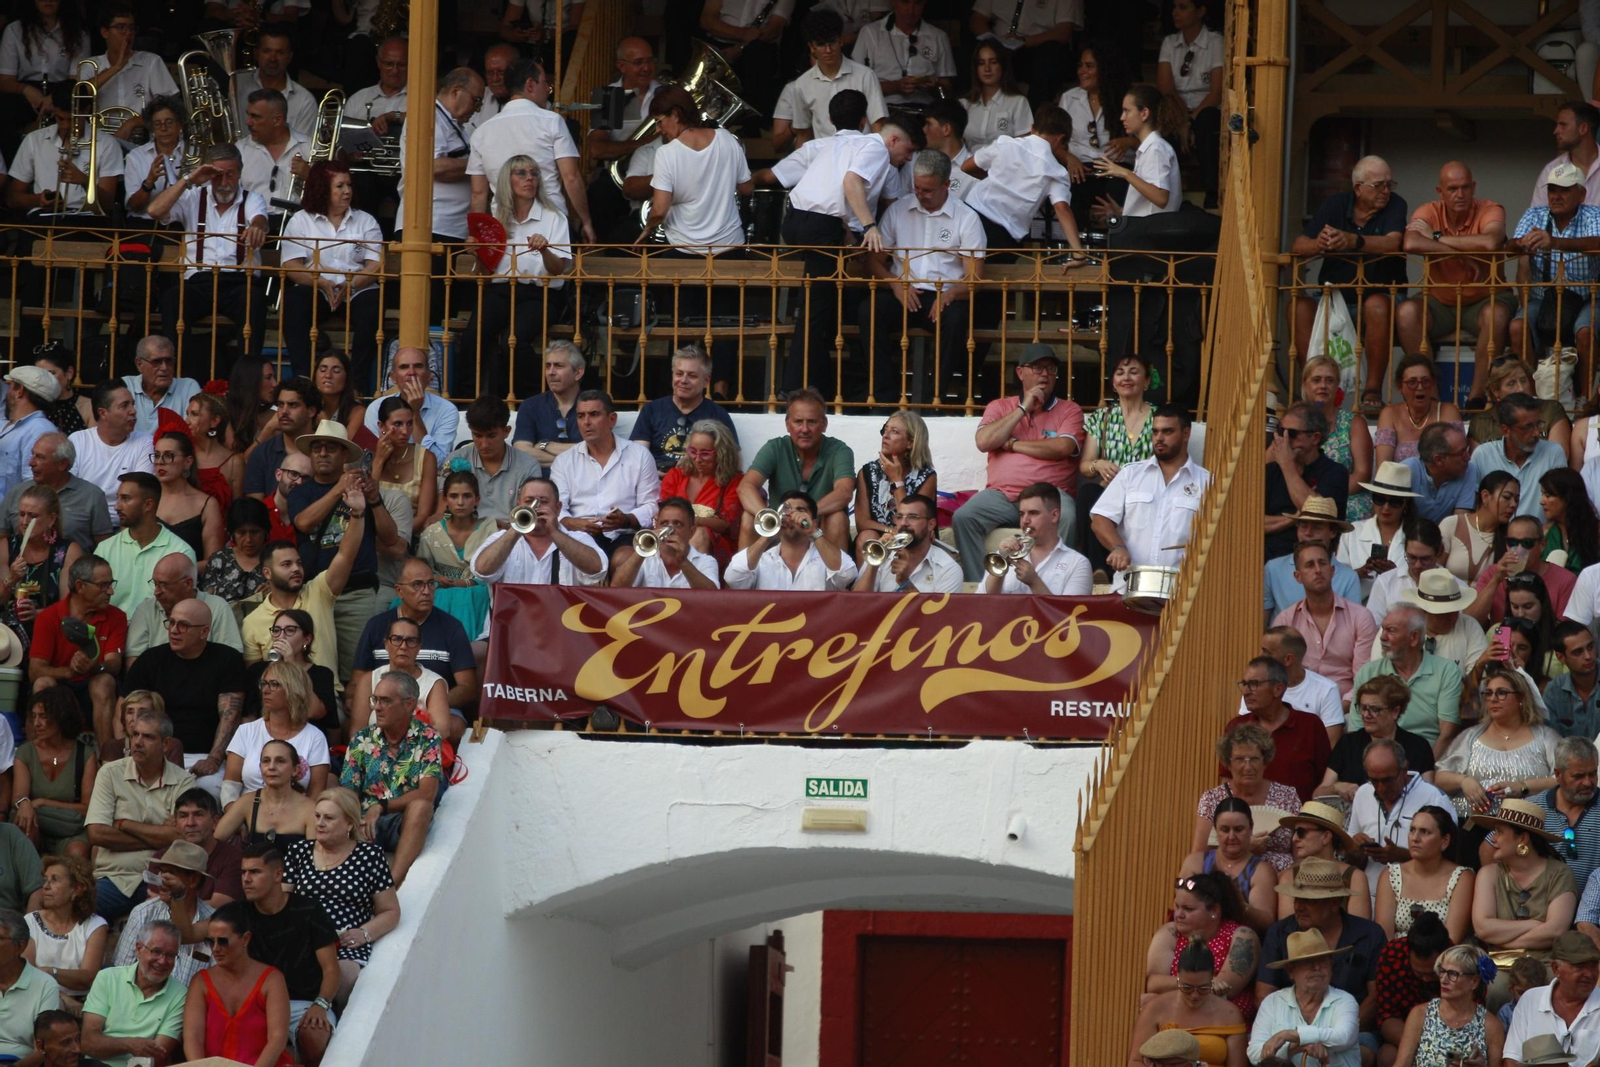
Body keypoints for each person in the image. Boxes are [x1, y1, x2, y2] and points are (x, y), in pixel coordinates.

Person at [755, 110, 915, 395]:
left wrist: (849, 236)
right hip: (820, 226)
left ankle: (814, 387)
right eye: (909, 149)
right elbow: (850, 184)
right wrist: (870, 227)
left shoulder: (840, 144)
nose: (909, 157)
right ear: (893, 139)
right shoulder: (876, 149)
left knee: (819, 309)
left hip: (798, 220)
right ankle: (797, 389)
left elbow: (830, 197)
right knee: (815, 313)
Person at [858, 149, 986, 405]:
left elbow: (974, 279)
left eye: (928, 190)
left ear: (946, 184)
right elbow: (874, 261)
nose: (921, 195)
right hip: (903, 292)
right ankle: (884, 397)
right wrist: (894, 283)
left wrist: (950, 294)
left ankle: (932, 400)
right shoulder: (898, 210)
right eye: (917, 188)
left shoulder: (966, 217)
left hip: (945, 297)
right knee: (868, 311)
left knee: (958, 319)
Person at [950, 348, 1082, 581]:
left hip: (1048, 495)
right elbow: (984, 441)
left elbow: (1062, 448)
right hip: (1002, 496)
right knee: (964, 517)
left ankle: (1056, 584)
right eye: (1037, 368)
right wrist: (1023, 409)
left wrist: (1012, 445)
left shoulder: (1069, 410)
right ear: (1020, 373)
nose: (1045, 374)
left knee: (1068, 515)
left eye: (1050, 369)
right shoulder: (1000, 406)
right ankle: (982, 586)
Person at [1395, 162, 1513, 408]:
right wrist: (1458, 255)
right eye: (1452, 189)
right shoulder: (1428, 210)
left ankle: (1476, 398)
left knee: (1496, 314)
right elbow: (1411, 243)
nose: (1460, 194)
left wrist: (1436, 237)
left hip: (1486, 297)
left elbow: (1491, 242)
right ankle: (1433, 396)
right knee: (1406, 312)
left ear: (1473, 187)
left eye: (1465, 187)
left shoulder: (1491, 208)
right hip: (1441, 300)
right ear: (1440, 192)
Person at [1291, 161, 1410, 406]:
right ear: (1358, 188)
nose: (1386, 190)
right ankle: (1313, 387)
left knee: (1376, 304)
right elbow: (1299, 246)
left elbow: (1393, 243)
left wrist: (1353, 241)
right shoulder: (1336, 204)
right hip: (1335, 298)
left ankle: (1372, 391)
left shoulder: (1395, 204)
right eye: (1378, 185)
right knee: (1298, 308)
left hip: (1383, 297)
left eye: (1389, 184)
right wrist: (1321, 244)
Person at [457, 153, 573, 398]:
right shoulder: (496, 217)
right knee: (473, 336)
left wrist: (545, 250)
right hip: (501, 289)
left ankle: (525, 400)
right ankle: (466, 400)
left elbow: (557, 270)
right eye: (521, 173)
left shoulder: (553, 217)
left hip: (540, 293)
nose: (529, 179)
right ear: (507, 180)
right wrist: (477, 252)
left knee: (513, 341)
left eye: (534, 174)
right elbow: (487, 272)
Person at [286, 420, 392, 682]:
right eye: (317, 447)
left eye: (330, 448)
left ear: (345, 454)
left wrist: (375, 499)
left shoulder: (363, 489)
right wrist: (339, 488)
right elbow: (303, 522)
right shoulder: (301, 491)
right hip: (314, 593)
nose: (322, 453)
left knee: (358, 673)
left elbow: (390, 538)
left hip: (358, 593)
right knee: (314, 669)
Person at [147, 145, 270, 367]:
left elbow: (259, 218)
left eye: (230, 174)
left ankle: (248, 376)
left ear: (240, 173)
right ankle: (175, 373)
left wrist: (257, 227)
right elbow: (154, 211)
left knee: (255, 301)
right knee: (172, 299)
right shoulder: (193, 197)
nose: (224, 182)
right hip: (199, 283)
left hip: (238, 283)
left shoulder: (252, 198)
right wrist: (189, 179)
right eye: (217, 175)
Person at [281, 788, 398, 1007]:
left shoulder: (369, 856)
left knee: (342, 978)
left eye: (329, 818)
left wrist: (364, 933)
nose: (320, 823)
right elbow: (282, 900)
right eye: (317, 816)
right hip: (302, 938)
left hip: (346, 943)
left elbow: (390, 911)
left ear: (349, 824)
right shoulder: (298, 851)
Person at [467, 56, 594, 242]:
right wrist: (586, 221)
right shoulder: (552, 121)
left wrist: (477, 236)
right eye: (545, 83)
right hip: (551, 223)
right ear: (530, 84)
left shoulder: (482, 131)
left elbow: (479, 194)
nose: (547, 90)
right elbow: (571, 177)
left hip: (504, 226)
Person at [279, 161, 382, 386]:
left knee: (374, 307)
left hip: (356, 290)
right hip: (317, 289)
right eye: (340, 186)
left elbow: (375, 265)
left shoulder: (365, 220)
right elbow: (291, 266)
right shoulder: (301, 221)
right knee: (294, 303)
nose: (347, 191)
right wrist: (321, 282)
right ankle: (304, 379)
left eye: (349, 185)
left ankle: (356, 382)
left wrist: (352, 284)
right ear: (323, 188)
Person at [123, 599, 245, 787]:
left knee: (207, 790)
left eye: (183, 625)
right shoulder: (151, 659)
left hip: (203, 757)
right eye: (171, 622)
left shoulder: (227, 660)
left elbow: (230, 716)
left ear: (204, 632)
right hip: (155, 755)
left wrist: (213, 759)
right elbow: (124, 708)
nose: (173, 630)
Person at [1471, 798, 1578, 1006]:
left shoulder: (1559, 874)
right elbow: (1482, 928)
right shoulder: (1489, 874)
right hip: (1500, 965)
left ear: (1523, 839)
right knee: (1493, 990)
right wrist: (1533, 925)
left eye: (1500, 831)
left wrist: (1503, 939)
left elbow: (1555, 931)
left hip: (1546, 964)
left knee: (1552, 989)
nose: (1494, 839)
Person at [341, 672, 443, 888]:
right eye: (375, 699)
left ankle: (392, 882)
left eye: (385, 701)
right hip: (366, 819)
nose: (377, 707)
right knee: (342, 808)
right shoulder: (362, 739)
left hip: (404, 820)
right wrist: (356, 818)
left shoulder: (428, 737)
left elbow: (427, 793)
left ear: (409, 704)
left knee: (421, 807)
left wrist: (382, 806)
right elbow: (348, 790)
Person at [1091, 405, 1208, 591]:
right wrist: (1117, 548)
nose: (1159, 438)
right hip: (1128, 588)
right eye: (1155, 432)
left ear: (1186, 434)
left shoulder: (1207, 482)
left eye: (1167, 431)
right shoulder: (1130, 473)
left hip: (1182, 593)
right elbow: (1100, 520)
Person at [1256, 858, 1386, 1018]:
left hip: (1355, 1031)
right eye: (1296, 898)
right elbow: (1264, 996)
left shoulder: (1370, 934)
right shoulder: (1279, 932)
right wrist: (1298, 1034)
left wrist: (1342, 1032)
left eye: (1308, 901)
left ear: (1334, 903)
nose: (1298, 907)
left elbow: (1376, 998)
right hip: (1288, 1030)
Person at [1509, 163, 1600, 380]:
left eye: (1564, 190)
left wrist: (1555, 242)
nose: (1556, 196)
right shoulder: (1535, 215)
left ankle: (1584, 399)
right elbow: (1508, 247)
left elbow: (1597, 242)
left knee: (1585, 330)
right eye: (1552, 190)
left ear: (1581, 194)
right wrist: (1523, 242)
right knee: (1517, 326)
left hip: (1587, 297)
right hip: (1543, 299)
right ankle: (1530, 394)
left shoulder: (1593, 214)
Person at [959, 105, 1085, 261]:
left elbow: (966, 166)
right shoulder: (1056, 171)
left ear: (1032, 128)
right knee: (990, 283)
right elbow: (1062, 210)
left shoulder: (1005, 144)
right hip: (1002, 236)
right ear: (1060, 139)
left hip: (969, 215)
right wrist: (1079, 254)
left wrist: (992, 176)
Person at [1435, 665, 1559, 823]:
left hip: (1527, 826)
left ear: (1521, 698)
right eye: (1488, 693)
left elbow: (1563, 778)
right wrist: (1464, 781)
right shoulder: (1470, 736)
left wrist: (1523, 787)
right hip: (1471, 825)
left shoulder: (1545, 737)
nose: (1493, 699)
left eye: (1501, 693)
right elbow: (1439, 776)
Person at [738, 390, 856, 552]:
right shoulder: (775, 447)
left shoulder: (839, 451)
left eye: (812, 422)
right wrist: (771, 518)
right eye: (798, 421)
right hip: (781, 530)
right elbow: (745, 487)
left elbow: (844, 493)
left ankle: (839, 576)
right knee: (749, 518)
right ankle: (743, 575)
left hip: (818, 530)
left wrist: (805, 515)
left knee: (837, 519)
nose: (805, 429)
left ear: (824, 424)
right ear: (788, 424)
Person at [239, 527, 362, 679]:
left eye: (298, 563)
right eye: (286, 564)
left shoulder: (318, 591)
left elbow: (346, 556)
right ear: (267, 573)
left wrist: (357, 513)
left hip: (326, 695)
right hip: (280, 697)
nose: (296, 568)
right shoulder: (252, 622)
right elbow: (256, 678)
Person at [182, 900, 291, 1067]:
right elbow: (193, 1037)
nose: (215, 949)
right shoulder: (201, 982)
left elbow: (277, 1039)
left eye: (223, 941)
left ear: (245, 938)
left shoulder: (272, 979)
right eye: (210, 941)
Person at [29, 554, 124, 744]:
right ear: (81, 586)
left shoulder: (116, 616)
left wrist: (95, 666)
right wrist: (70, 672)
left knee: (104, 681)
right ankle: (37, 756)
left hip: (93, 689)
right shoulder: (48, 617)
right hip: (61, 688)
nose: (111, 591)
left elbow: (114, 664)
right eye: (103, 585)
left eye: (111, 584)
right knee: (42, 684)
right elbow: (35, 670)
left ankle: (106, 759)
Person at [1143, 871, 1259, 1019]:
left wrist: (1161, 998)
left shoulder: (1243, 936)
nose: (1178, 914)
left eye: (1188, 909)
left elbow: (1223, 990)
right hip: (1175, 1019)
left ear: (1214, 911)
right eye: (1177, 906)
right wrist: (1194, 984)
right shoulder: (1170, 932)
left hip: (1223, 1023)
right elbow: (1153, 983)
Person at [1079, 354, 1156, 573]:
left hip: (1145, 493)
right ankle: (1097, 570)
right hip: (1109, 492)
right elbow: (1085, 465)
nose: (1126, 378)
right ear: (1113, 383)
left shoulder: (1159, 418)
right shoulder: (1102, 418)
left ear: (1147, 381)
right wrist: (1098, 465)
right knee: (1088, 494)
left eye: (1134, 372)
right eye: (1120, 373)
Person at [1272, 540, 1375, 703]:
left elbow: (1363, 680)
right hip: (1298, 709)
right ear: (1297, 576)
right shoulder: (1285, 621)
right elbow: (1278, 677)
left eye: (1322, 563)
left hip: (1348, 709)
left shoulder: (1361, 617)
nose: (1318, 570)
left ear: (1332, 570)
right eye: (1309, 565)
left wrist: (1337, 710)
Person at [1353, 605, 1465, 754]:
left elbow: (1448, 734)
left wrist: (1426, 770)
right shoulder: (1368, 673)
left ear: (1414, 638)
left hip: (1427, 757)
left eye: (1391, 630)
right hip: (1376, 759)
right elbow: (1356, 731)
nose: (1382, 637)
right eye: (1383, 629)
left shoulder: (1446, 671)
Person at [772, 10, 887, 152]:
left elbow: (878, 126)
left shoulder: (866, 75)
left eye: (832, 42)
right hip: (824, 160)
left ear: (840, 41)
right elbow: (803, 135)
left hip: (862, 157)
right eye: (821, 44)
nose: (828, 50)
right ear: (811, 47)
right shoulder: (802, 85)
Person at [1192, 724, 1302, 872]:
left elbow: (1301, 853)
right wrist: (1242, 850)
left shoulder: (1288, 796)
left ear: (1265, 761)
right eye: (1239, 759)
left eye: (1254, 759)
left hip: (1281, 884)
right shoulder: (1212, 799)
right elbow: (1199, 857)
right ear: (1228, 763)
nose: (1248, 767)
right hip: (1229, 881)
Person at [114, 837, 225, 983]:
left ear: (194, 880)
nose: (161, 879)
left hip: (192, 1003)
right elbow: (121, 972)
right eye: (161, 871)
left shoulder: (213, 920)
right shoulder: (142, 913)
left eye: (171, 873)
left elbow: (217, 978)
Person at [79, 919, 186, 1067]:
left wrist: (113, 1045)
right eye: (156, 951)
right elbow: (88, 1042)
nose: (162, 961)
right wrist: (129, 1045)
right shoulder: (108, 978)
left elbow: (158, 1056)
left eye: (170, 955)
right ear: (138, 948)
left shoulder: (180, 994)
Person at [1248, 928, 1361, 1067]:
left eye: (1323, 961)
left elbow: (1344, 1037)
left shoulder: (1345, 1000)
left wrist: (1288, 1035)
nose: (1317, 967)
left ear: (1331, 965)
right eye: (1308, 962)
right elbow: (1254, 1054)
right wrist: (1294, 1048)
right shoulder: (1272, 1002)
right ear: (1291, 971)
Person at [1126, 940, 1248, 1067]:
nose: (1194, 995)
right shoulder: (1155, 1008)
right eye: (1187, 987)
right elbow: (1136, 1061)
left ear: (1213, 979)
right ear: (1177, 977)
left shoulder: (1230, 1014)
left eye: (1203, 988)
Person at [6, 81, 121, 216]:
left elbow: (108, 204)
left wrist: (85, 181)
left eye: (72, 120)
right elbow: (12, 199)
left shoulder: (107, 144)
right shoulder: (34, 140)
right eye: (60, 118)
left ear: (87, 110)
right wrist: (39, 200)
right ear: (53, 110)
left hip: (87, 218)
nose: (66, 126)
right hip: (43, 216)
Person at [1347, 739, 1452, 886]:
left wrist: (1403, 856)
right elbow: (1353, 860)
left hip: (1418, 894)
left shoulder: (1434, 798)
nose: (1381, 788)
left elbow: (1450, 859)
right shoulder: (1363, 793)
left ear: (1404, 769)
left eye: (1387, 780)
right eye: (1374, 780)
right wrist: (1356, 848)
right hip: (1368, 894)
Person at [1226, 656, 1332, 802]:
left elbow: (1324, 782)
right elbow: (1227, 783)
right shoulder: (1236, 727)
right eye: (1244, 684)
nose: (1245, 691)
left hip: (1298, 819)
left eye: (1254, 684)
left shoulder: (1311, 725)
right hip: (1247, 819)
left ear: (1278, 689)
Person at [224, 663, 330, 805]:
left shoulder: (315, 737)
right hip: (248, 815)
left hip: (296, 817)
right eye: (264, 684)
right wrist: (236, 819)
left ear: (294, 690)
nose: (266, 690)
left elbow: (316, 794)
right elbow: (230, 786)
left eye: (275, 684)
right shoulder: (246, 731)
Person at [470, 476, 606, 587]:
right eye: (528, 501)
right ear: (518, 506)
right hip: (513, 620)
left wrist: (554, 531)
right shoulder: (501, 538)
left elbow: (597, 570)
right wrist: (517, 528)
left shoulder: (578, 538)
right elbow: (481, 571)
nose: (534, 508)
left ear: (558, 508)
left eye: (543, 501)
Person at [13, 687, 97, 862]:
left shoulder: (85, 754)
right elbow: (19, 797)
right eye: (34, 716)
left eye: (43, 716)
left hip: (69, 830)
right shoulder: (26, 752)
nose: (37, 723)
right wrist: (25, 803)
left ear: (61, 717)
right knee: (25, 822)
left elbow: (88, 808)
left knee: (78, 853)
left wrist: (43, 802)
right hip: (36, 825)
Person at [1319, 676, 1437, 801]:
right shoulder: (1348, 743)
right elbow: (1318, 793)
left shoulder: (1418, 747)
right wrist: (1336, 787)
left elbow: (1428, 795)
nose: (1365, 715)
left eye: (1375, 709)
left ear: (1395, 711)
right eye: (1363, 707)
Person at [1391, 942, 1504, 1067]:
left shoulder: (1491, 1026)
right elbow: (1401, 1064)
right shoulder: (1420, 1015)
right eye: (1442, 972)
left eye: (1452, 974)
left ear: (1474, 981)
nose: (1444, 980)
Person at [0, 486, 82, 658]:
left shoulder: (68, 551)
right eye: (22, 514)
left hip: (50, 632)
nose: (24, 522)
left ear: (51, 519)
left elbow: (71, 606)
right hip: (7, 636)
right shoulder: (6, 547)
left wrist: (39, 614)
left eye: (33, 516)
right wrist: (11, 579)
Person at [629, 349, 738, 476]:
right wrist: (652, 474)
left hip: (699, 484)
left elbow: (732, 463)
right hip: (656, 482)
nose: (684, 380)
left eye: (692, 376)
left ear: (707, 381)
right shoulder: (651, 410)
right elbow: (637, 456)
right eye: (679, 374)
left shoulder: (718, 415)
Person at [1156, 0, 1223, 206]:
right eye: (1174, 6)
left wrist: (1191, 122)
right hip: (1178, 111)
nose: (1175, 12)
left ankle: (1212, 195)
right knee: (1162, 128)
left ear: (1201, 10)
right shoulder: (1169, 42)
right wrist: (1182, 121)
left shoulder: (1215, 42)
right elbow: (1166, 90)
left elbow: (1217, 92)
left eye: (1183, 7)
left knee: (1208, 120)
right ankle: (1166, 197)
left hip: (1207, 109)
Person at [1178, 795, 1277, 933]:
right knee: (1167, 932)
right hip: (1196, 934)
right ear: (1216, 830)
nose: (1231, 837)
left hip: (1240, 936)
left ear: (1251, 828)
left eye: (1238, 829)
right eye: (1225, 830)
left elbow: (1266, 920)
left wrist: (1240, 905)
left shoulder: (1261, 870)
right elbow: (1180, 904)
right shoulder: (1195, 862)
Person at [1502, 930, 1600, 1067]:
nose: (1589, 974)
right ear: (1556, 968)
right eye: (1579, 966)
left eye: (1594, 965)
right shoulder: (1530, 1000)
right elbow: (1511, 1059)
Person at [725, 491, 858, 592]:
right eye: (786, 510)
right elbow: (733, 578)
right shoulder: (762, 560)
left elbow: (847, 574)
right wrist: (768, 537)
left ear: (814, 522)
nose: (791, 515)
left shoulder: (825, 559)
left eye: (800, 510)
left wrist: (813, 532)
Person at [0, 433, 112, 553]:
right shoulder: (17, 493)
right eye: (32, 454)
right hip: (20, 569)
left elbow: (105, 549)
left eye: (40, 457)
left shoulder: (92, 496)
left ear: (62, 464)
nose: (31, 463)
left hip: (75, 569)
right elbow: (2, 540)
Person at [438, 395, 539, 527]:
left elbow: (526, 519)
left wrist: (491, 528)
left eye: (491, 436)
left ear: (506, 431)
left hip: (509, 536)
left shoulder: (528, 466)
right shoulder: (455, 460)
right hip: (463, 532)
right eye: (478, 435)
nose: (484, 444)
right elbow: (443, 511)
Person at [1266, 403, 1351, 560]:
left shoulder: (1335, 473)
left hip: (1311, 560)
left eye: (1291, 434)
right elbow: (1250, 522)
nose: (1283, 440)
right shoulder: (1272, 470)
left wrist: (1287, 466)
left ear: (1315, 438)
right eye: (1280, 432)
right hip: (1267, 558)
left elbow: (1316, 513)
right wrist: (1291, 519)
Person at [125, 552, 240, 667]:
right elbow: (134, 662)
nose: (156, 592)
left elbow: (231, 660)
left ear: (188, 583)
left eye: (164, 585)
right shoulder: (146, 609)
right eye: (155, 584)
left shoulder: (217, 607)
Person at [1375, 804, 1470, 941]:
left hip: (1443, 959)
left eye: (1425, 832)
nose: (1415, 838)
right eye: (1412, 830)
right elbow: (1384, 939)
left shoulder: (1462, 877)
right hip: (1397, 958)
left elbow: (1452, 940)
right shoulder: (1390, 875)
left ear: (1445, 841)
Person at [416, 473, 495, 636]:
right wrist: (436, 579)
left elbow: (493, 574)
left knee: (465, 598)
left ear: (477, 500)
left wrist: (460, 584)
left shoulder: (490, 530)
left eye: (467, 496)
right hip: (438, 595)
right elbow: (420, 572)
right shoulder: (431, 533)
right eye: (453, 496)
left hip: (478, 596)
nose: (460, 502)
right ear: (445, 500)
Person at [1090, 83, 1184, 220]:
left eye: (1127, 111)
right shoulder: (1150, 148)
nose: (1122, 117)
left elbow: (1161, 198)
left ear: (1144, 113)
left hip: (1153, 235)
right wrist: (1123, 210)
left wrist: (1125, 173)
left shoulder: (1155, 148)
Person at [979, 482, 1092, 596]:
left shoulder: (1078, 564)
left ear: (1054, 516)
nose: (1025, 520)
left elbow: (1068, 613)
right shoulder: (1005, 554)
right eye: (1022, 514)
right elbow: (982, 604)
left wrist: (1034, 582)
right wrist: (999, 571)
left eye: (1033, 513)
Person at [851, 411, 936, 561]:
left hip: (912, 539)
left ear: (911, 443)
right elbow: (862, 523)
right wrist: (890, 531)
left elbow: (913, 520)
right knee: (867, 537)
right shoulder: (867, 472)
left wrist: (897, 481)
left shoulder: (926, 476)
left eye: (894, 432)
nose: (886, 435)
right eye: (885, 429)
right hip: (879, 538)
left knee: (906, 541)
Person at [1469, 395, 1568, 523]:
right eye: (1527, 427)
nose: (1536, 433)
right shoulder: (1483, 455)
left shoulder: (1553, 452)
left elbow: (1561, 507)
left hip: (1540, 538)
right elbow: (1473, 506)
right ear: (1506, 430)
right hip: (1494, 538)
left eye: (1538, 424)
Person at [1371, 912, 1453, 1067]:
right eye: (1419, 972)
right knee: (1388, 1055)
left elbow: (1470, 1018)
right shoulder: (1392, 955)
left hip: (1449, 1040)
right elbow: (1386, 1016)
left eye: (1432, 973)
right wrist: (1423, 1046)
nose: (1426, 979)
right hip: (1403, 1035)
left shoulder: (1461, 968)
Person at [23, 856, 106, 1007]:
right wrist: (60, 996)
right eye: (45, 880)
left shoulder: (95, 925)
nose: (46, 887)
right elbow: (25, 974)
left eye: (54, 880)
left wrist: (48, 971)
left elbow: (87, 977)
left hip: (85, 1002)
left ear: (76, 889)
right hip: (38, 999)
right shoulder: (31, 922)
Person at [361, 347, 463, 466]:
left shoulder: (446, 410)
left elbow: (438, 463)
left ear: (429, 376)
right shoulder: (376, 407)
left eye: (418, 366)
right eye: (404, 367)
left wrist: (415, 413)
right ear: (393, 377)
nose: (411, 372)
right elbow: (369, 459)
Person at [969, 0, 1078, 108]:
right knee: (979, 51)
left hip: (1036, 48)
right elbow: (977, 19)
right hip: (999, 45)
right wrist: (993, 43)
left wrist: (1024, 41)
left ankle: (1034, 115)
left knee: (1050, 55)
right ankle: (974, 107)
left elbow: (1064, 32)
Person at [660, 420, 742, 563]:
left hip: (714, 545)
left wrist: (692, 521)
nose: (697, 459)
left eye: (705, 454)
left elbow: (725, 524)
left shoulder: (734, 481)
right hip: (672, 536)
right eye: (692, 451)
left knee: (700, 534)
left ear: (721, 453)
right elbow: (662, 512)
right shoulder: (675, 475)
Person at [1470, 515, 1577, 625]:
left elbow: (1566, 632)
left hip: (1544, 640)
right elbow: (1472, 622)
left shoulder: (1565, 580)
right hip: (1503, 638)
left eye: (1527, 543)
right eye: (1512, 543)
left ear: (1542, 545)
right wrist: (1496, 580)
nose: (1519, 550)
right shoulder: (1493, 573)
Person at [1275, 801, 1371, 919]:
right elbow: (1287, 929)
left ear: (1326, 837)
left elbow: (1360, 931)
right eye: (1294, 832)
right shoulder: (1289, 877)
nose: (1294, 839)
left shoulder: (1355, 878)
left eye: (1301, 832)